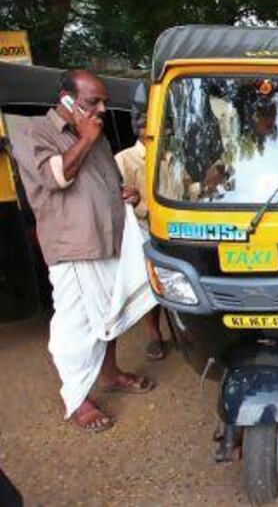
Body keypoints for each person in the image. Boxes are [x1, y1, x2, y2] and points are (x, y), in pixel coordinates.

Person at [16, 69, 157, 433]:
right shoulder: (37, 133)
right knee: (74, 328)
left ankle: (109, 374)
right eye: (92, 101)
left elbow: (109, 181)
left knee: (110, 314)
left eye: (104, 102)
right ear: (65, 98)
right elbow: (56, 178)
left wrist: (125, 194)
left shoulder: (100, 138)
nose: (101, 109)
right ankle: (76, 399)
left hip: (110, 239)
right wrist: (86, 137)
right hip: (74, 247)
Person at [115, 112, 167, 360]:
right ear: (139, 128)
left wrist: (205, 186)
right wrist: (143, 208)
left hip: (171, 230)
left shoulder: (169, 156)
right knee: (150, 282)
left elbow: (186, 188)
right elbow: (118, 200)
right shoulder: (124, 160)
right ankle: (154, 334)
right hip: (142, 230)